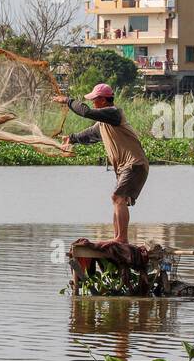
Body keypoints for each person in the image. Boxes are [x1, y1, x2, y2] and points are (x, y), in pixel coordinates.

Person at [53, 83, 149, 244]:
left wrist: (68, 101)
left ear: (104, 100)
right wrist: (72, 138)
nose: (92, 103)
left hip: (134, 164)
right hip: (126, 167)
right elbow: (90, 134)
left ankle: (121, 238)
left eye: (95, 100)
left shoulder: (114, 114)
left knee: (117, 197)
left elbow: (86, 112)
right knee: (118, 199)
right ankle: (118, 237)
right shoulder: (104, 122)